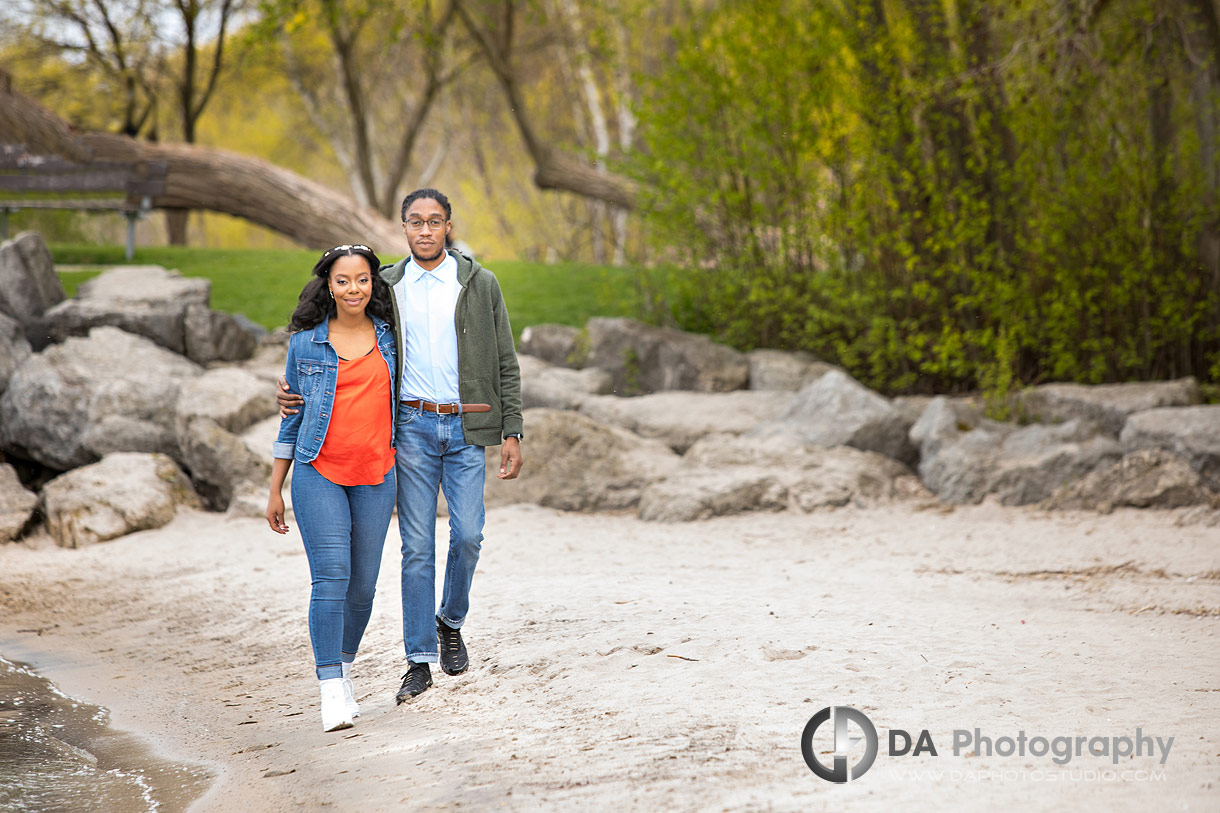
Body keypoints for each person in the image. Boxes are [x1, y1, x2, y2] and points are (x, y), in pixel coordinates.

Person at [278, 188, 523, 707]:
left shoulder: (479, 284)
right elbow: (336, 333)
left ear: (449, 226)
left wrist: (512, 429)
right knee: (416, 547)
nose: (426, 231)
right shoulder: (385, 284)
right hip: (410, 427)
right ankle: (418, 660)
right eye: (416, 222)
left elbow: (505, 359)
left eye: (435, 222)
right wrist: (293, 391)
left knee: (470, 534)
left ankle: (449, 620)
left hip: (466, 427)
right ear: (404, 228)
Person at [266, 244, 398, 732]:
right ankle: (329, 689)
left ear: (373, 284)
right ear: (328, 285)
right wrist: (275, 488)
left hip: (378, 474)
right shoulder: (306, 345)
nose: (353, 289)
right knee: (332, 577)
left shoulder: (391, 337)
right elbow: (292, 420)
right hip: (317, 471)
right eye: (343, 281)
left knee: (363, 587)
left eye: (362, 280)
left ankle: (343, 670)